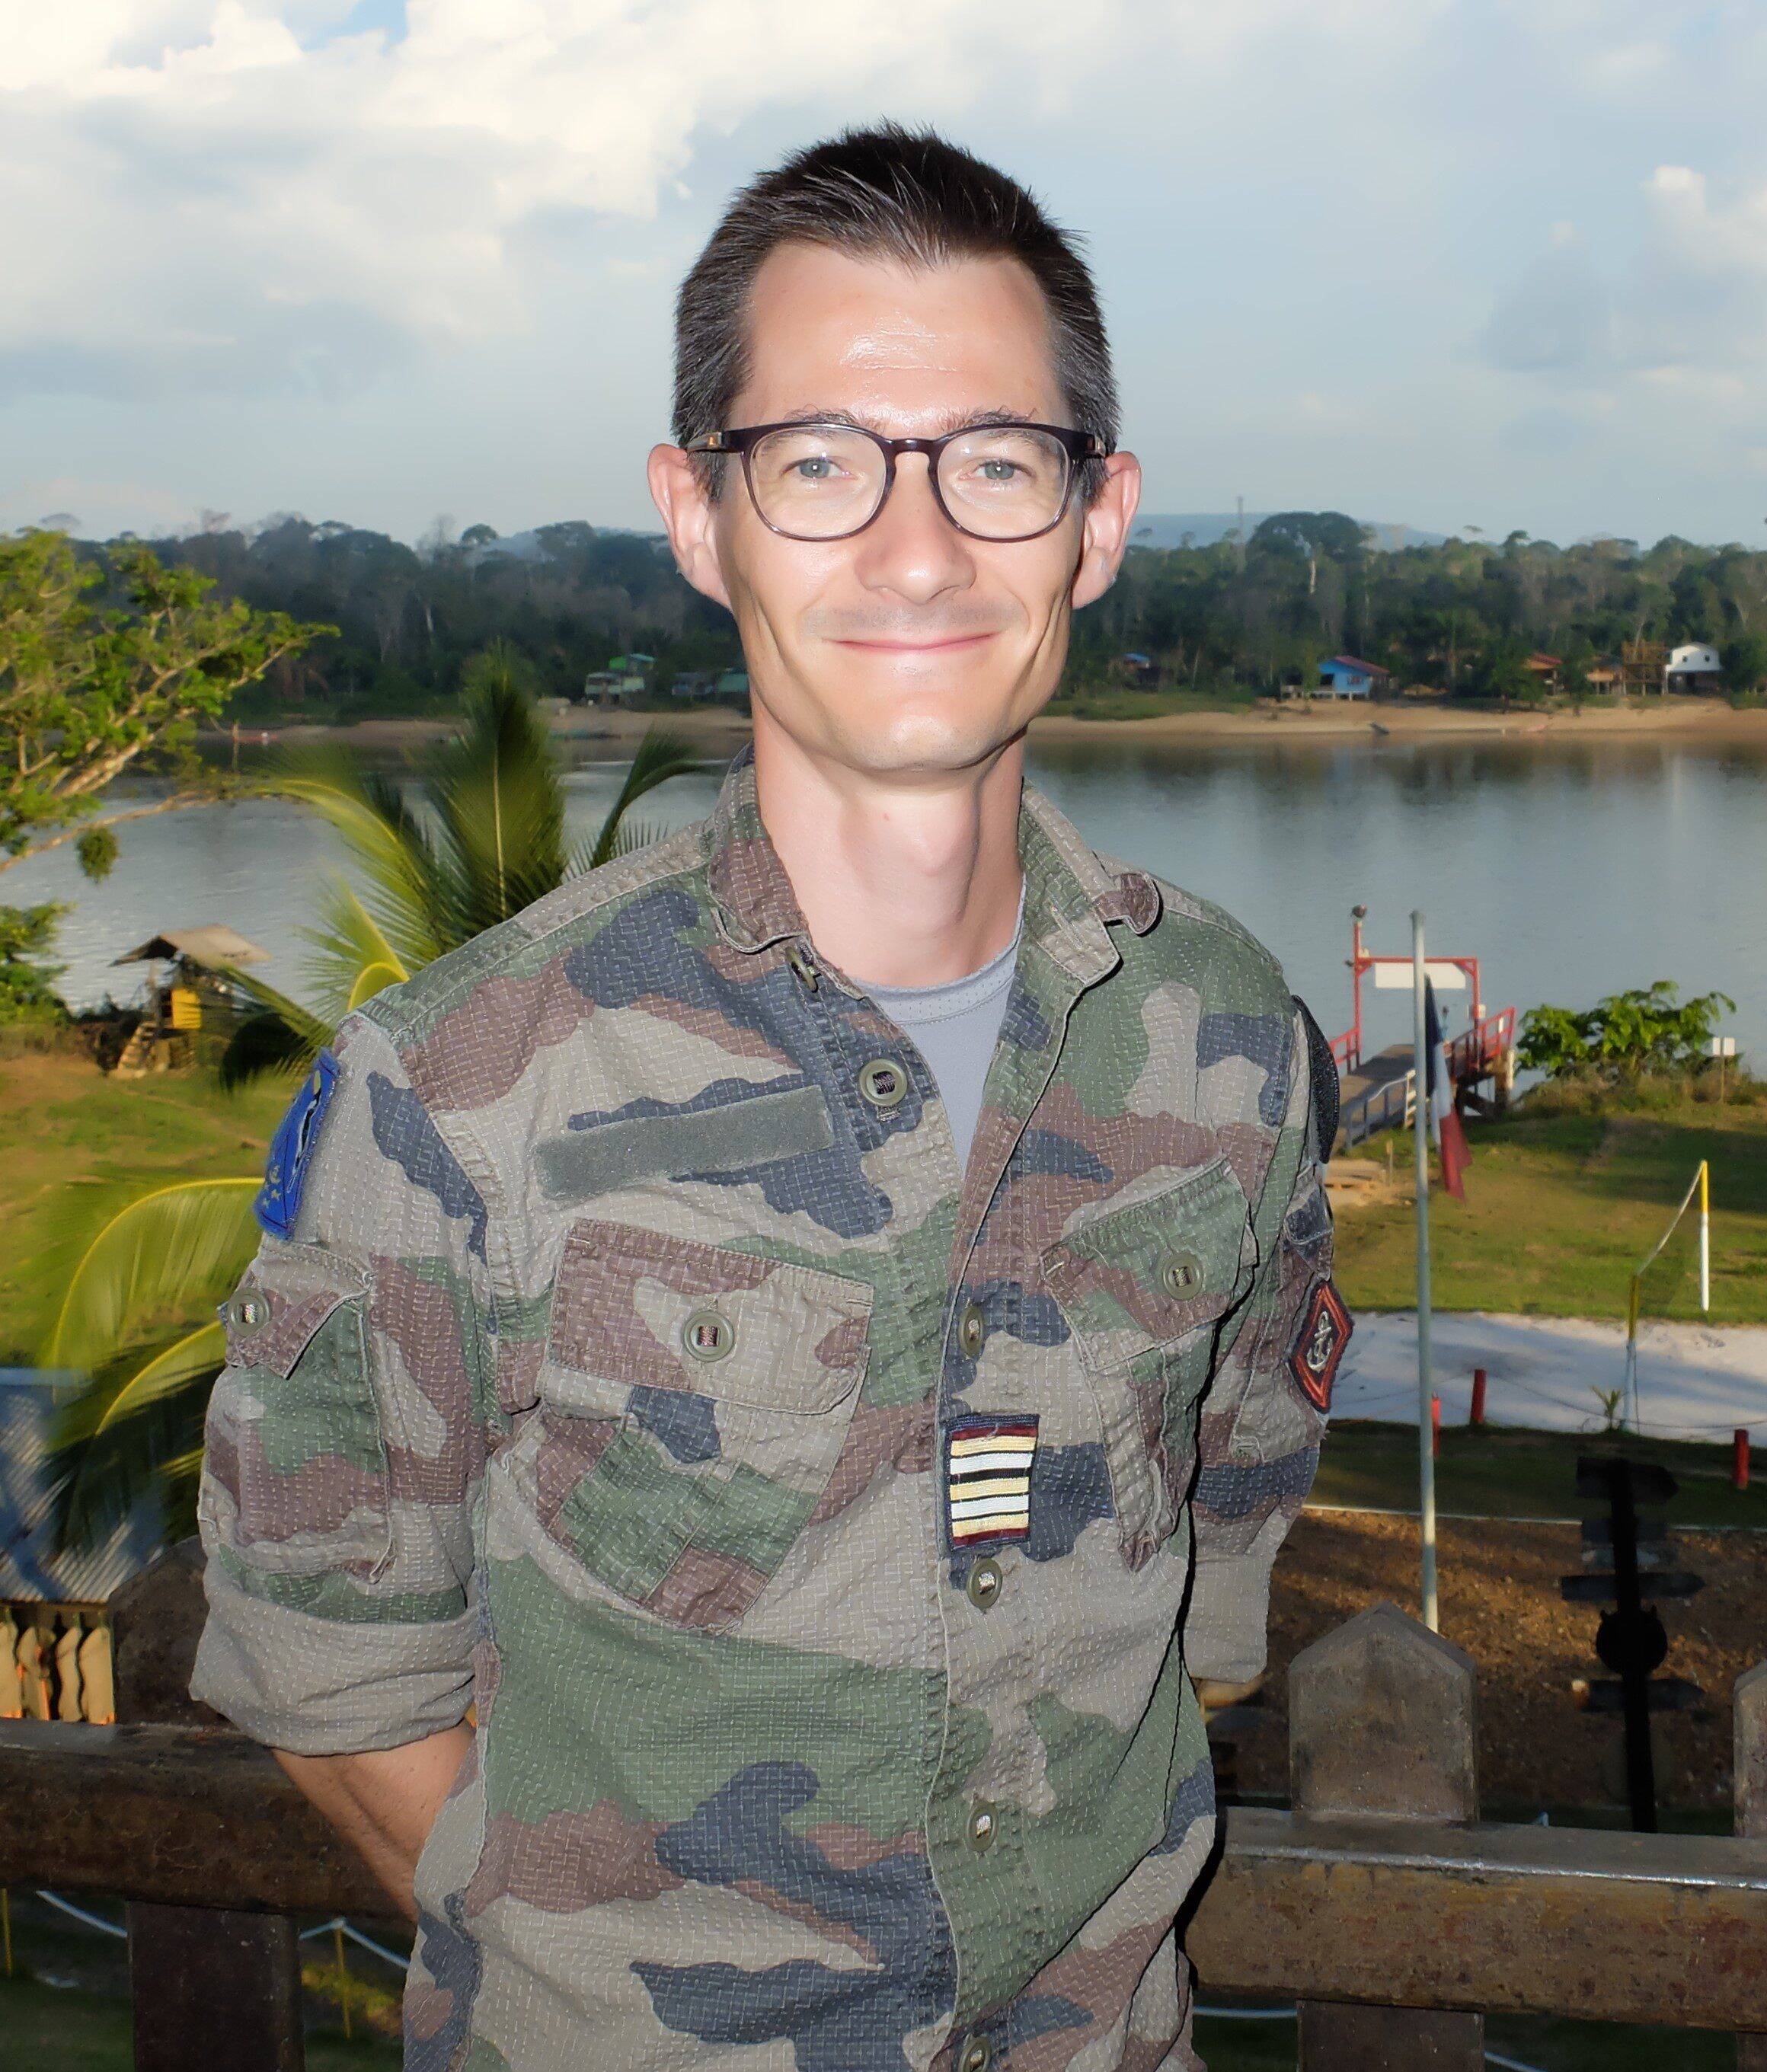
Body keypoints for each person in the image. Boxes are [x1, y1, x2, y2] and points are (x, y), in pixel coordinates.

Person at [193, 125, 1345, 2072]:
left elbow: (1207, 1564)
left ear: (1100, 515)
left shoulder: (1225, 1036)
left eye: (996, 460)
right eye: (818, 463)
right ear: (699, 515)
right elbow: (336, 1658)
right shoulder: (466, 1085)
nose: (918, 550)